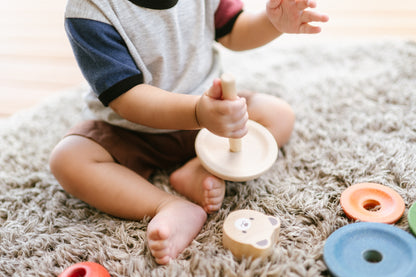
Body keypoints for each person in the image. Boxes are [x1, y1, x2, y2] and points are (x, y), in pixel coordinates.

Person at [50, 0, 329, 265]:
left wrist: (272, 23)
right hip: (131, 130)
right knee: (68, 159)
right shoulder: (92, 11)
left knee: (278, 114)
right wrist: (197, 112)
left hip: (210, 118)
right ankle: (167, 205)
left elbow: (232, 31)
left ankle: (198, 167)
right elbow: (127, 98)